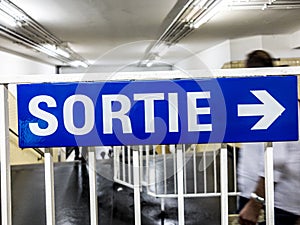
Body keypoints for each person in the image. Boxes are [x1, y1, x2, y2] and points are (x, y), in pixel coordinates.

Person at [238, 50, 300, 225]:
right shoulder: (273, 101)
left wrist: (255, 203)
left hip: (272, 202)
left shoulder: (274, 103)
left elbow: (275, 160)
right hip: (272, 199)